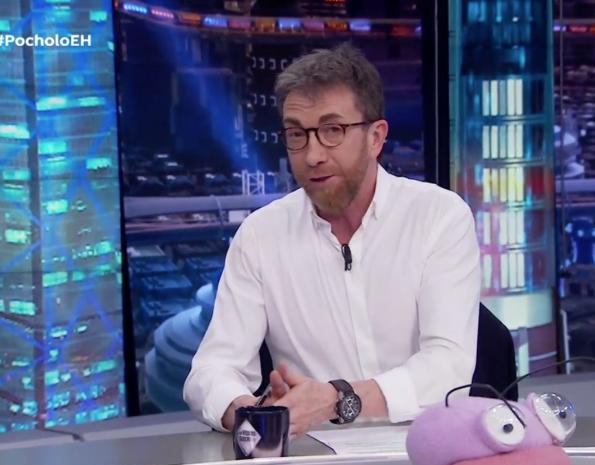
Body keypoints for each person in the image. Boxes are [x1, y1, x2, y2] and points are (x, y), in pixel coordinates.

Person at [183, 43, 481, 439]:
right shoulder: (260, 235)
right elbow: (211, 370)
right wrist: (251, 412)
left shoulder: (438, 216)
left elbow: (449, 368)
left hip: (425, 452)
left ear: (376, 137)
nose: (312, 155)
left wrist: (337, 399)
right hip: (313, 456)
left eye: (332, 131)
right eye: (297, 134)